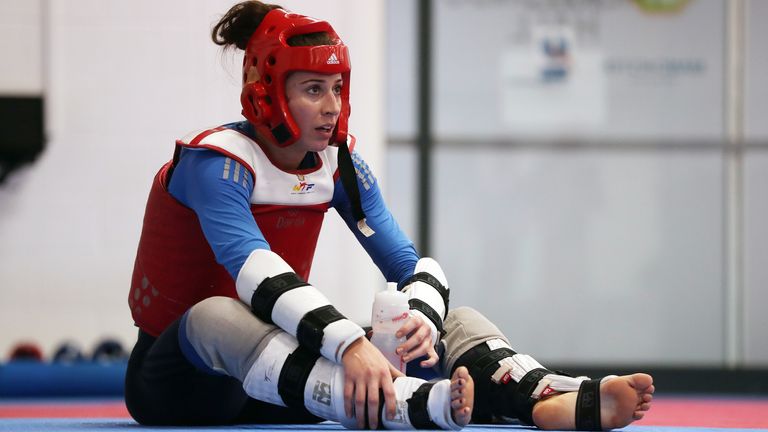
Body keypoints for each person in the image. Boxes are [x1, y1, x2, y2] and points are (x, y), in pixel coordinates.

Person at [124, 1, 654, 430]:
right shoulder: (214, 163)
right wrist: (350, 343)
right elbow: (253, 269)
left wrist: (421, 322)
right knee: (218, 312)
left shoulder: (341, 165)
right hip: (181, 381)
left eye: (336, 88)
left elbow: (414, 264)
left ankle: (542, 397)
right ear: (266, 94)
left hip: (277, 379)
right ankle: (411, 406)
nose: (332, 106)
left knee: (453, 318)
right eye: (313, 90)